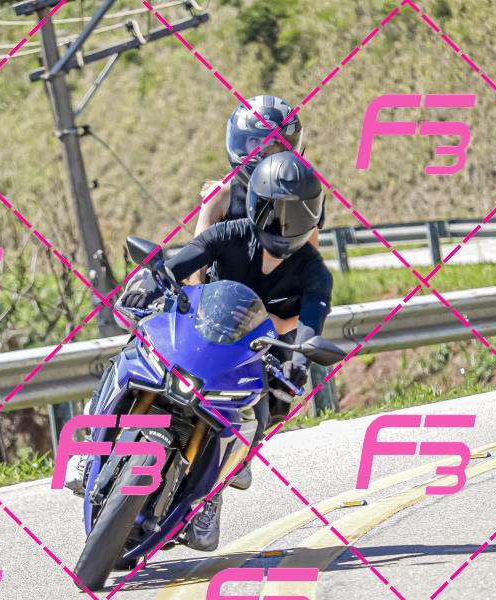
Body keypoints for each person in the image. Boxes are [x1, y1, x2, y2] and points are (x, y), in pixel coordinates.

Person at [120, 151, 333, 552]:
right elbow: (187, 259)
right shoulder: (230, 233)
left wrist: (302, 359)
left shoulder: (315, 272)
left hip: (257, 353)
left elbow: (311, 322)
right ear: (253, 203)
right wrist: (154, 279)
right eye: (274, 211)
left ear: (316, 216)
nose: (284, 225)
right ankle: (97, 438)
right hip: (204, 329)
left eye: (297, 215)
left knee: (259, 416)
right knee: (138, 351)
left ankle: (208, 497)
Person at [192, 95, 321, 284]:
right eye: (254, 140)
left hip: (280, 300)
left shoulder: (299, 196)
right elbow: (197, 263)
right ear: (240, 143)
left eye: (272, 142)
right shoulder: (221, 195)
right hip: (223, 299)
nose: (262, 150)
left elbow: (311, 267)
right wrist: (196, 296)